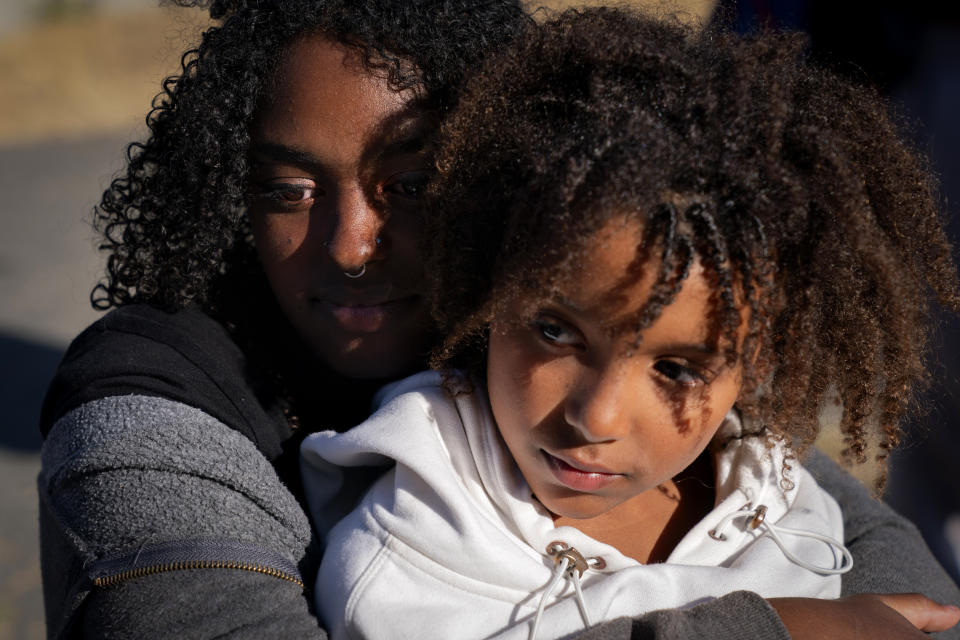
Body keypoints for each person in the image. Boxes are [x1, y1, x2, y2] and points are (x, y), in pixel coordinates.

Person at [35, 0, 960, 638]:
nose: (353, 243)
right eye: (288, 188)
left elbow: (873, 561)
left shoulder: (553, 323)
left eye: (413, 185)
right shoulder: (153, 410)